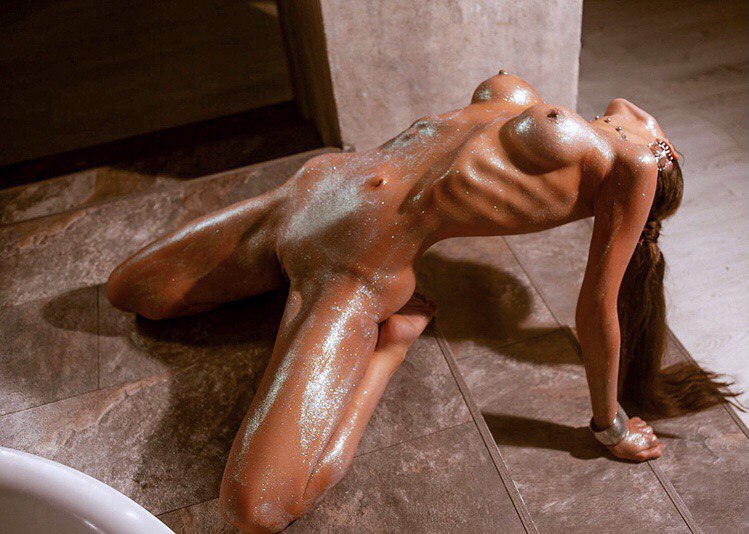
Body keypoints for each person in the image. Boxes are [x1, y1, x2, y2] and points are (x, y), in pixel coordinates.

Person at [107, 71, 739, 533]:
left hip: (355, 263)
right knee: (133, 291)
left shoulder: (636, 163)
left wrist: (609, 425)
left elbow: (598, 309)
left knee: (256, 509)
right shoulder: (623, 123)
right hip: (315, 187)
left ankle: (390, 346)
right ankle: (281, 272)